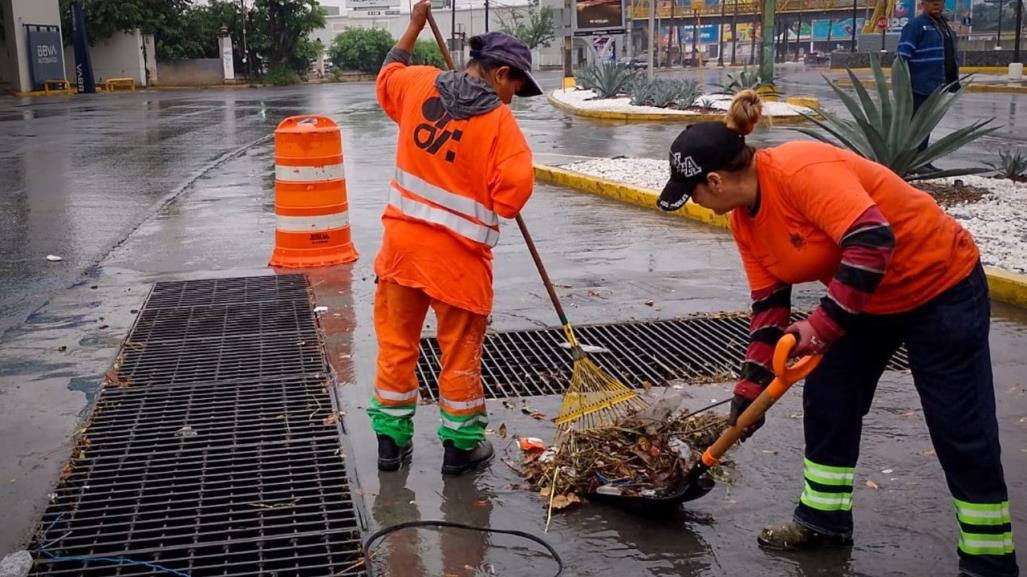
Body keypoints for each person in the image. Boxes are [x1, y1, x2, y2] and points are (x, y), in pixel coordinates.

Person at [657, 90, 1018, 577]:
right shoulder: (745, 219)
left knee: (960, 426)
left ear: (716, 181)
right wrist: (748, 391)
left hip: (940, 284)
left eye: (693, 192)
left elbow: (872, 240)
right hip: (865, 300)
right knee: (829, 401)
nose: (695, 202)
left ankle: (989, 560)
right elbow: (769, 306)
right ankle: (822, 523)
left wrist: (823, 328)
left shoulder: (802, 171)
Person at [369, 0, 541, 476]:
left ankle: (390, 443)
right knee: (459, 356)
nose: (512, 99)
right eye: (515, 87)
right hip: (458, 264)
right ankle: (461, 448)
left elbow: (387, 75)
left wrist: (412, 27)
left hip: (401, 254)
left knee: (397, 346)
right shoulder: (502, 126)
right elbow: (511, 196)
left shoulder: (418, 82)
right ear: (500, 73)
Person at [898, 0, 960, 171]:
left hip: (940, 83)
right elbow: (903, 55)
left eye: (939, 2)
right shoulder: (916, 26)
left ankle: (923, 161)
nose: (936, 5)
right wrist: (903, 82)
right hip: (920, 84)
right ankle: (912, 162)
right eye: (932, 2)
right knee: (916, 124)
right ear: (923, 4)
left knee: (927, 124)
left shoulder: (945, 26)